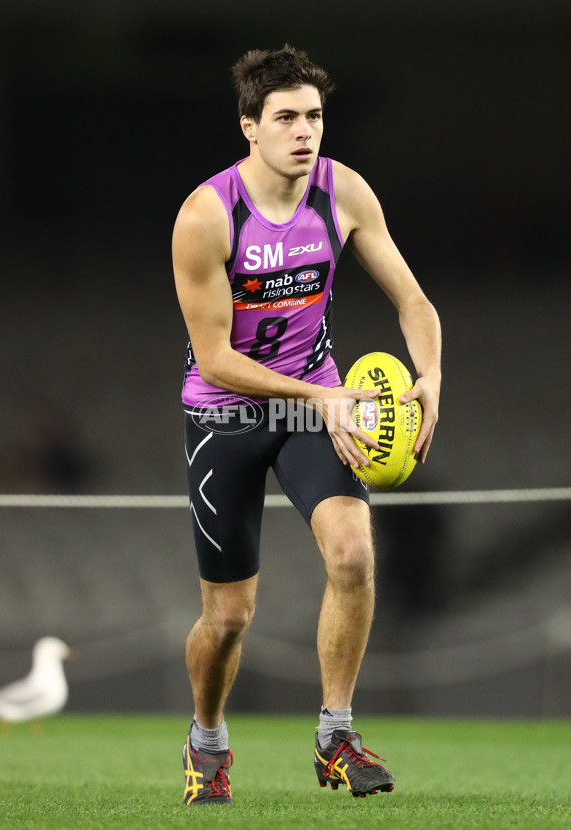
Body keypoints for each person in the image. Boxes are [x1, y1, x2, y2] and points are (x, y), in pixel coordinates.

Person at [172, 45, 441, 805]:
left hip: (312, 404)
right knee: (228, 619)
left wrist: (430, 376)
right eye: (285, 117)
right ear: (249, 126)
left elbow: (414, 303)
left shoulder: (342, 192)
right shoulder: (206, 215)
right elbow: (215, 359)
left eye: (314, 117)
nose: (303, 132)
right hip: (224, 414)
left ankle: (336, 737)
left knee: (353, 555)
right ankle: (207, 740)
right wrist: (320, 398)